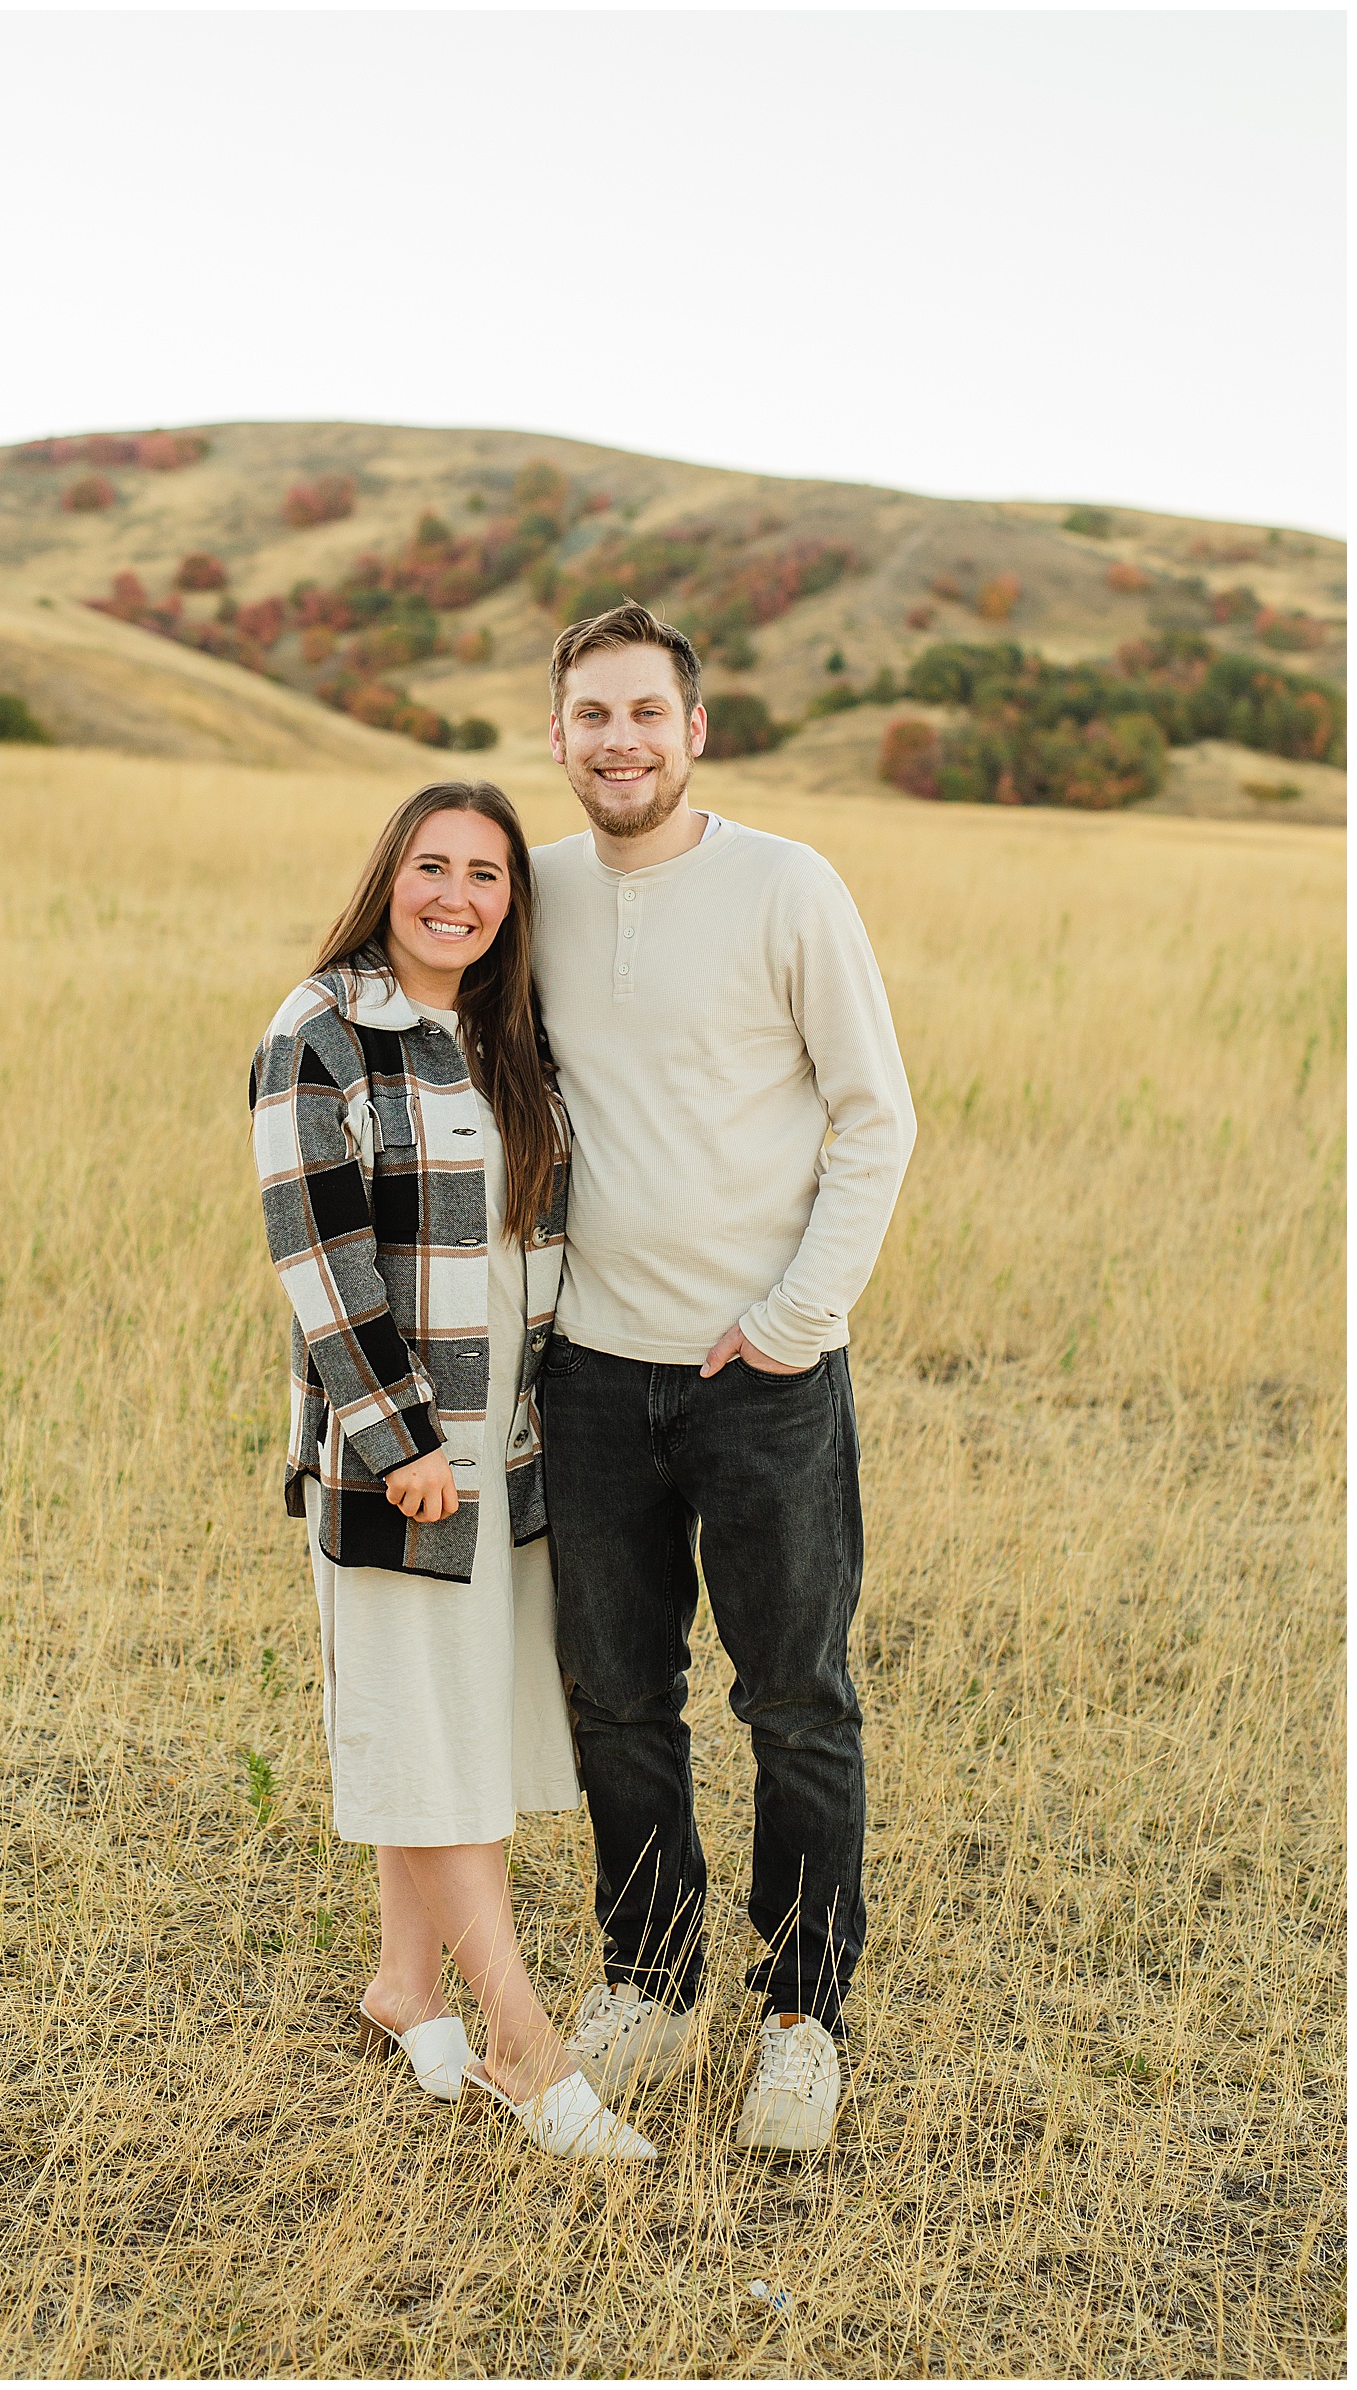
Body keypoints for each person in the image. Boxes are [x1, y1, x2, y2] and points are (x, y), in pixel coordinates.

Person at [531, 603, 917, 2154]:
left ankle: (803, 2014)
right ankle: (652, 1976)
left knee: (798, 1700)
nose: (618, 740)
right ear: (555, 738)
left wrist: (796, 1315)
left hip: (765, 1375)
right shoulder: (532, 889)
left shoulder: (787, 885)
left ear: (697, 730)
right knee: (618, 1700)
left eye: (645, 712)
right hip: (593, 1377)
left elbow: (874, 1115)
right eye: (589, 717)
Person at [249, 778, 655, 2165]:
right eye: (434, 866)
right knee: (435, 1745)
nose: (459, 897)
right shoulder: (320, 1032)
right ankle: (525, 2048)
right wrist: (399, 1439)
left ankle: (401, 1986)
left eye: (487, 875)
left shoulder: (500, 1036)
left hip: (506, 1446)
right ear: (390, 873)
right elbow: (321, 1259)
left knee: (449, 1723)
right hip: (400, 1457)